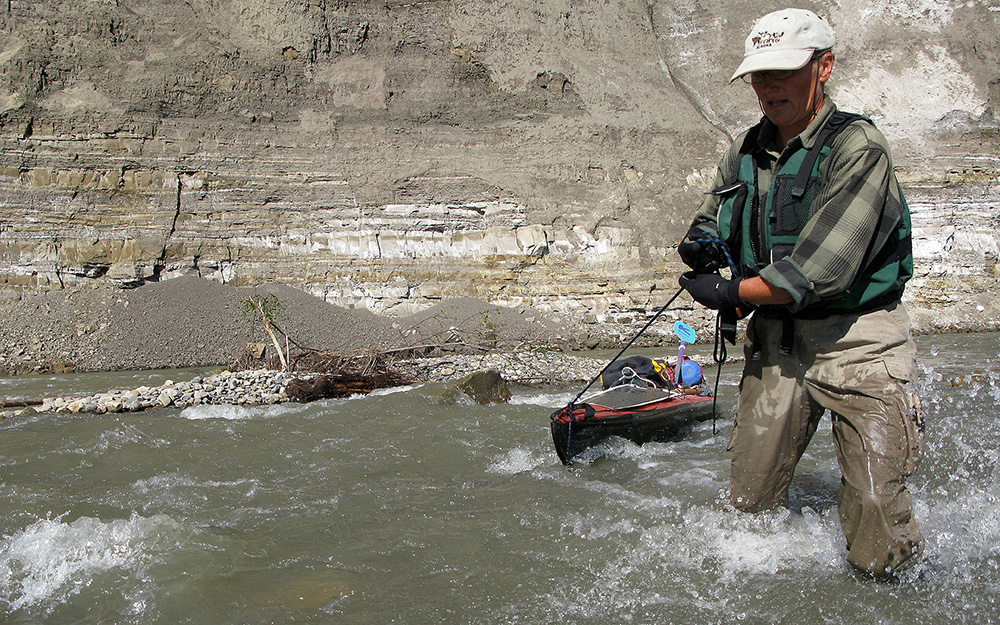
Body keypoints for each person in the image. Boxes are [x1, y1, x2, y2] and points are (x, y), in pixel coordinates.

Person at [676, 8, 924, 580]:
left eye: (783, 72)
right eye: (759, 76)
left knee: (874, 515)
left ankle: (888, 598)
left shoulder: (860, 149)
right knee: (746, 510)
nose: (768, 87)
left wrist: (733, 290)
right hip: (778, 343)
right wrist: (703, 246)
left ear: (824, 68)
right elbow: (710, 216)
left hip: (859, 344)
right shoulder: (743, 150)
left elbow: (818, 272)